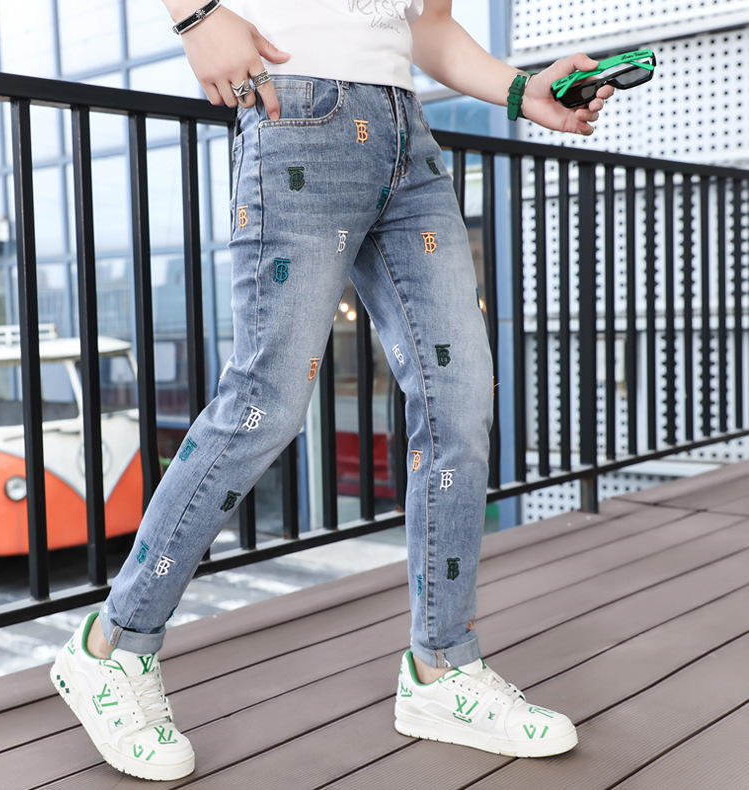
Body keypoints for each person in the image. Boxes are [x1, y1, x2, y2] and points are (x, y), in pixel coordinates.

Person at [51, 0, 612, 780]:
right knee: (266, 402)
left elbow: (427, 25)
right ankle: (110, 646)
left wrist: (522, 90)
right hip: (296, 113)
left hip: (408, 140)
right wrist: (197, 17)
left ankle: (442, 670)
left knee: (460, 399)